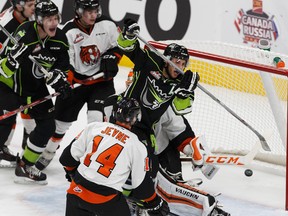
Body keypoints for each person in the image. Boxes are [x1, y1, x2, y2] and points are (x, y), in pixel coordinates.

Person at [115, 19, 230, 216]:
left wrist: (185, 93)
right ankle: (126, 196)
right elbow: (128, 48)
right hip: (124, 121)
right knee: (124, 165)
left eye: (183, 64)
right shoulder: (150, 61)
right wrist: (127, 35)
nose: (179, 67)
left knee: (152, 174)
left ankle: (139, 199)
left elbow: (179, 111)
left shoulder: (182, 84)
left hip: (145, 132)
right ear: (166, 59)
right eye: (176, 62)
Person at [35, 0, 123, 171]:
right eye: (88, 11)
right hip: (76, 83)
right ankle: (49, 152)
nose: (92, 15)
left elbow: (119, 47)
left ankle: (94, 158)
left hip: (101, 83)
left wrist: (113, 57)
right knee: (60, 124)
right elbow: (64, 63)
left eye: (95, 11)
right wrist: (65, 83)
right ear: (78, 12)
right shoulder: (68, 32)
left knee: (96, 121)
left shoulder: (107, 25)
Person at [0, 0, 72, 184]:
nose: (53, 22)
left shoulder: (60, 39)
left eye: (55, 18)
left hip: (34, 87)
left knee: (48, 125)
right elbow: (3, 69)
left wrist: (59, 80)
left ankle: (25, 165)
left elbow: (63, 67)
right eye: (49, 19)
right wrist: (12, 61)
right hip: (10, 85)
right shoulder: (24, 33)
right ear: (39, 20)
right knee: (5, 123)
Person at [59, 97, 170, 216]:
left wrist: (71, 173)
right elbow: (142, 188)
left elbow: (66, 158)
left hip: (75, 194)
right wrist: (156, 203)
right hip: (105, 201)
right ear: (135, 118)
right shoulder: (137, 145)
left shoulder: (94, 127)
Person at [0, 0, 36, 167]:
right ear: (18, 6)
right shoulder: (5, 24)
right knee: (8, 110)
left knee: (23, 109)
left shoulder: (32, 19)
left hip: (23, 74)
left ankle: (27, 146)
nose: (34, 7)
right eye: (30, 4)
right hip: (6, 74)